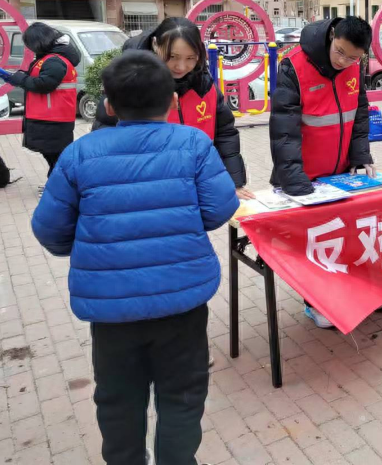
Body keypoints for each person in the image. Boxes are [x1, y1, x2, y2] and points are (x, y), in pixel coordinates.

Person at [31, 50, 239, 465]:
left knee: (118, 399)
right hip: (181, 302)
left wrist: (92, 247)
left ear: (108, 104)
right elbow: (220, 208)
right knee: (182, 396)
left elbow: (49, 229)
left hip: (111, 311)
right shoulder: (193, 144)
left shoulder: (80, 154)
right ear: (173, 101)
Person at [269, 16, 376, 329]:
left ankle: (352, 296)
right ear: (332, 36)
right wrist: (294, 181)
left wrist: (360, 158)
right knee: (317, 244)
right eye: (340, 52)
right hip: (306, 178)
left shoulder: (355, 67)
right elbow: (284, 131)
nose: (344, 62)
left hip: (341, 174)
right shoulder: (294, 65)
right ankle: (316, 303)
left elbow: (359, 117)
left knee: (350, 238)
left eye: (354, 57)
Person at [94, 17, 251, 199]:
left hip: (194, 190)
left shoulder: (205, 87)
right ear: (155, 45)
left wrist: (233, 182)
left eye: (190, 58)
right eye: (172, 57)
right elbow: (102, 140)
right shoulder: (129, 84)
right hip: (144, 193)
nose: (181, 66)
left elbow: (225, 133)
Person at [0, 23, 81, 181]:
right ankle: (58, 185)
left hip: (52, 118)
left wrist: (21, 79)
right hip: (50, 117)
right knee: (55, 156)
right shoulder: (51, 58)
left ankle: (60, 187)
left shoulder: (54, 60)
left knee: (56, 157)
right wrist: (20, 77)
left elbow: (44, 85)